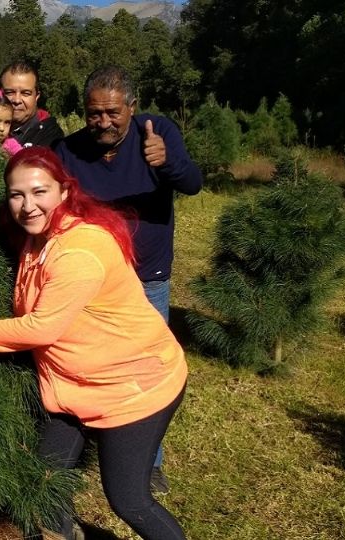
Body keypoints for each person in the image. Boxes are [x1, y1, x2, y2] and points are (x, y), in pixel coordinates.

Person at [0, 147, 187, 540]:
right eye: (16, 194)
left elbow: (40, 328)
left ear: (65, 192)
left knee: (129, 499)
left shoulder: (78, 251)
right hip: (74, 386)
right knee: (46, 481)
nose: (27, 205)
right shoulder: (40, 237)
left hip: (134, 387)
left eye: (40, 192)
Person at [55, 65, 203, 492]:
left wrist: (168, 162)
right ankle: (82, 447)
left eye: (112, 113)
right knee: (86, 359)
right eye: (94, 113)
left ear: (132, 107)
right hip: (93, 275)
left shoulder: (157, 133)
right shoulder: (71, 149)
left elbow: (193, 184)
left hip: (146, 273)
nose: (103, 122)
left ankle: (148, 462)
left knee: (145, 368)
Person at [0, 60, 65, 150]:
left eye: (25, 93)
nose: (17, 100)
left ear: (36, 96)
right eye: (9, 92)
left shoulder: (51, 138)